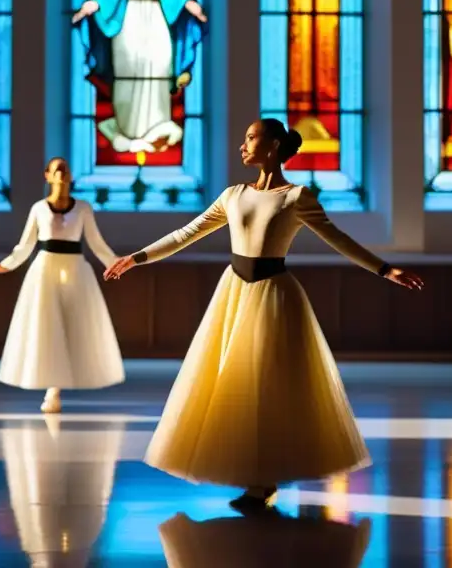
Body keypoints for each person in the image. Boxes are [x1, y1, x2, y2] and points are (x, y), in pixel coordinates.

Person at [103, 119, 424, 511]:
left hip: (275, 295)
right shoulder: (234, 195)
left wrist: (384, 269)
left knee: (269, 386)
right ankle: (254, 474)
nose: (243, 145)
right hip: (235, 294)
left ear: (273, 146)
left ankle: (264, 479)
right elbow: (186, 234)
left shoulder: (296, 197)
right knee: (233, 384)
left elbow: (339, 239)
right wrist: (135, 258)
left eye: (250, 137)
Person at [0, 157, 124, 413]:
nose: (62, 173)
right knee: (47, 327)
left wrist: (118, 263)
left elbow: (96, 243)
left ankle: (63, 383)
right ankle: (51, 390)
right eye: (57, 169)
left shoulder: (83, 208)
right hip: (44, 271)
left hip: (76, 271)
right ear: (47, 175)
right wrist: (5, 265)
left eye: (66, 169)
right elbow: (26, 245)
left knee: (74, 325)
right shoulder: (39, 209)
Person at [72, 0, 206, 155]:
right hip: (128, 17)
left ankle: (158, 123)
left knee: (159, 62)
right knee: (129, 65)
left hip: (156, 15)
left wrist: (190, 4)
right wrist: (93, 5)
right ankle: (127, 128)